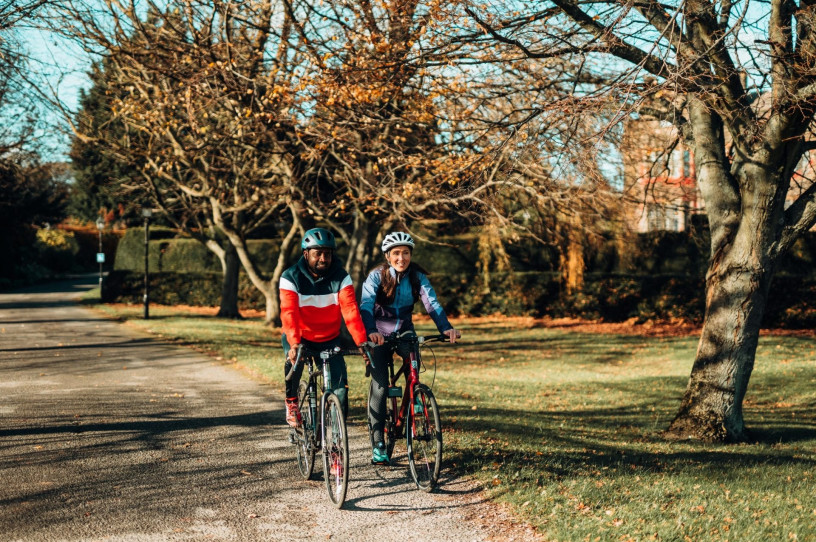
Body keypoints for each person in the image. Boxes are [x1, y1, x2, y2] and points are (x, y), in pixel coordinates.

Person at [360, 231, 460, 465]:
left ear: (411, 255)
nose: (401, 258)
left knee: (413, 367)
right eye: (396, 253)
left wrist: (445, 327)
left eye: (405, 253)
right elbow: (365, 305)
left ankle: (414, 401)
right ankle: (378, 444)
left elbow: (431, 303)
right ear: (388, 256)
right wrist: (371, 331)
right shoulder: (376, 276)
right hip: (378, 334)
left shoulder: (417, 277)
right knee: (381, 386)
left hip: (405, 330)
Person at [279, 227, 382, 428]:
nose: (324, 258)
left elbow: (351, 310)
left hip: (329, 338)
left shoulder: (341, 277)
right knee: (295, 363)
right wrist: (294, 344)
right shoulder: (290, 277)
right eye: (318, 253)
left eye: (327, 253)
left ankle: (335, 446)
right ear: (306, 253)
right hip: (299, 336)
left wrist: (361, 341)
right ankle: (291, 402)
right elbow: (289, 313)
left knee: (340, 390)